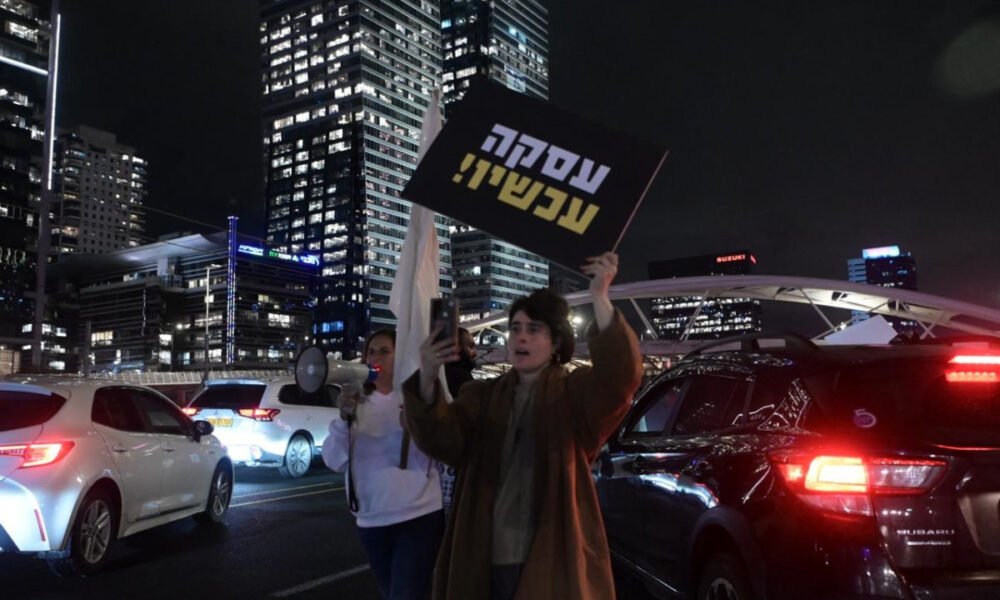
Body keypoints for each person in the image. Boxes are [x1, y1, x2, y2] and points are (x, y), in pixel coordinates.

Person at [402, 252, 643, 600]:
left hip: (553, 553)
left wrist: (599, 296)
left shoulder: (574, 393)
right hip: (485, 555)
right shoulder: (480, 396)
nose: (521, 338)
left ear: (556, 341)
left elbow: (620, 379)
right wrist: (427, 373)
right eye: (515, 328)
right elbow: (441, 440)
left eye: (534, 329)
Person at [321, 329, 444, 600]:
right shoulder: (358, 404)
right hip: (372, 520)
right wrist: (343, 420)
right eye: (371, 352)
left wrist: (419, 423)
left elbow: (439, 450)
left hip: (418, 516)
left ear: (400, 357)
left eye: (384, 351)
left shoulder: (414, 400)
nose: (375, 357)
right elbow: (333, 459)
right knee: (391, 592)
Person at [443, 327, 477, 399]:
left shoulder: (441, 373)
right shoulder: (463, 380)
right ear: (456, 349)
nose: (475, 353)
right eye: (470, 347)